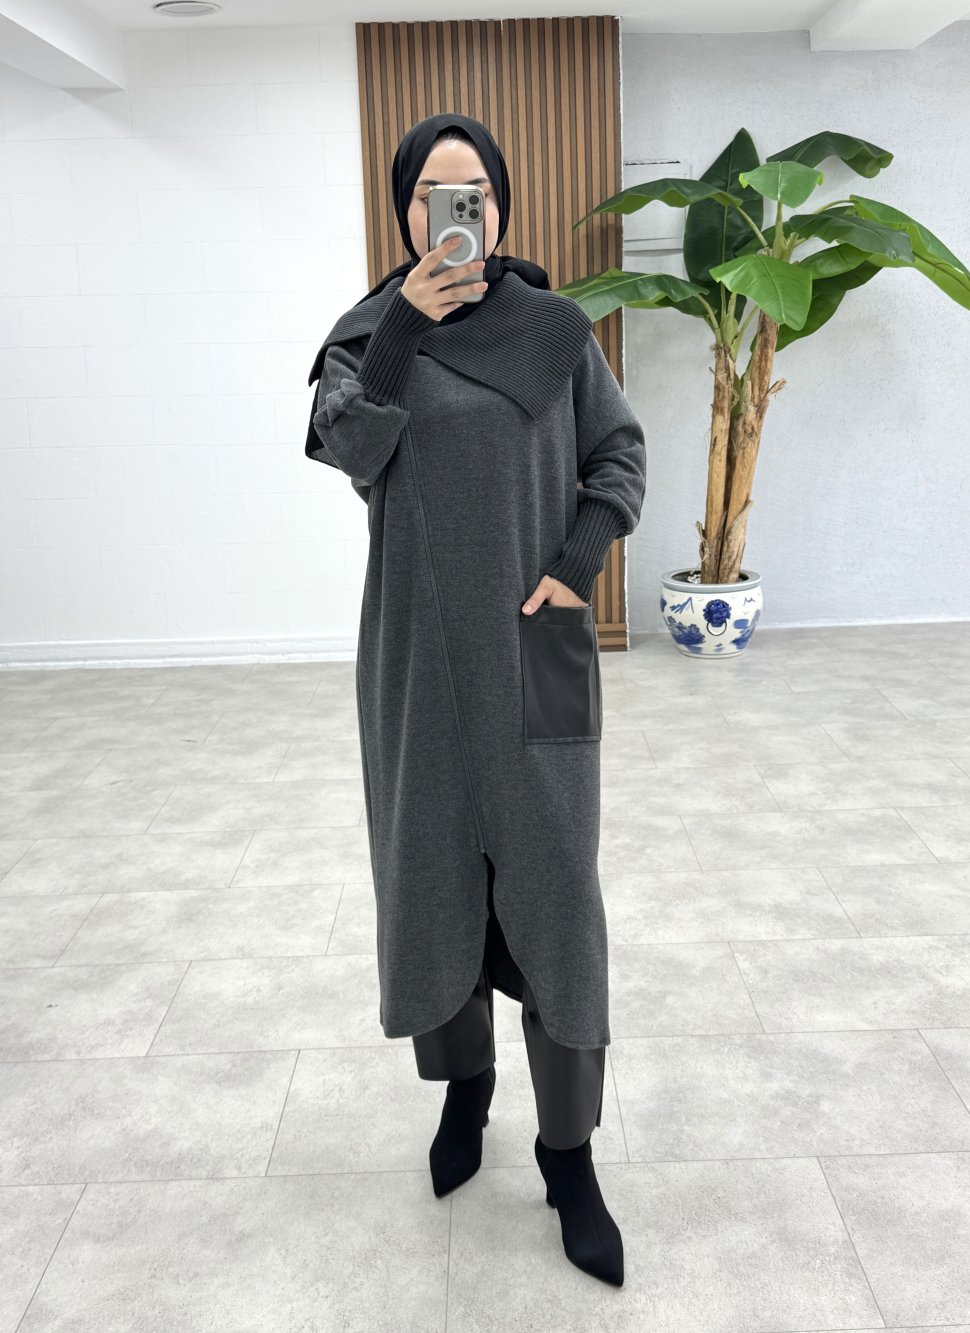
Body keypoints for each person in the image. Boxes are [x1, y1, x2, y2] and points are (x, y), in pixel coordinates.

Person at [305, 112, 645, 1288]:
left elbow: (618, 455)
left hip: (534, 650)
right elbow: (350, 451)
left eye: (475, 193)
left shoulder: (555, 331)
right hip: (416, 660)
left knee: (555, 892)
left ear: (500, 206)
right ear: (404, 210)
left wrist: (580, 560)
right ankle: (465, 1091)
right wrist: (404, 325)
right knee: (432, 876)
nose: (455, 213)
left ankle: (569, 1155)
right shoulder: (365, 337)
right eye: (430, 195)